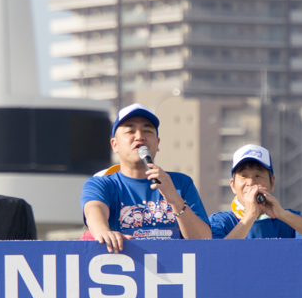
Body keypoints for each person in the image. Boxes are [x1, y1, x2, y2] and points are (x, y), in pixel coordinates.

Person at [81, 103, 212, 252]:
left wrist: (174, 198)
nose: (139, 137)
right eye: (130, 131)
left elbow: (204, 241)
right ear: (114, 144)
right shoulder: (101, 184)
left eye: (147, 131)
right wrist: (104, 231)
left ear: (157, 143)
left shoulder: (181, 183)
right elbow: (94, 210)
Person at [210, 144, 302, 255]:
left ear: (272, 183)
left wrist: (282, 214)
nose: (251, 182)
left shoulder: (288, 220)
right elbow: (216, 256)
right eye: (244, 176)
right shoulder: (220, 221)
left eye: (258, 175)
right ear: (232, 185)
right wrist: (251, 215)